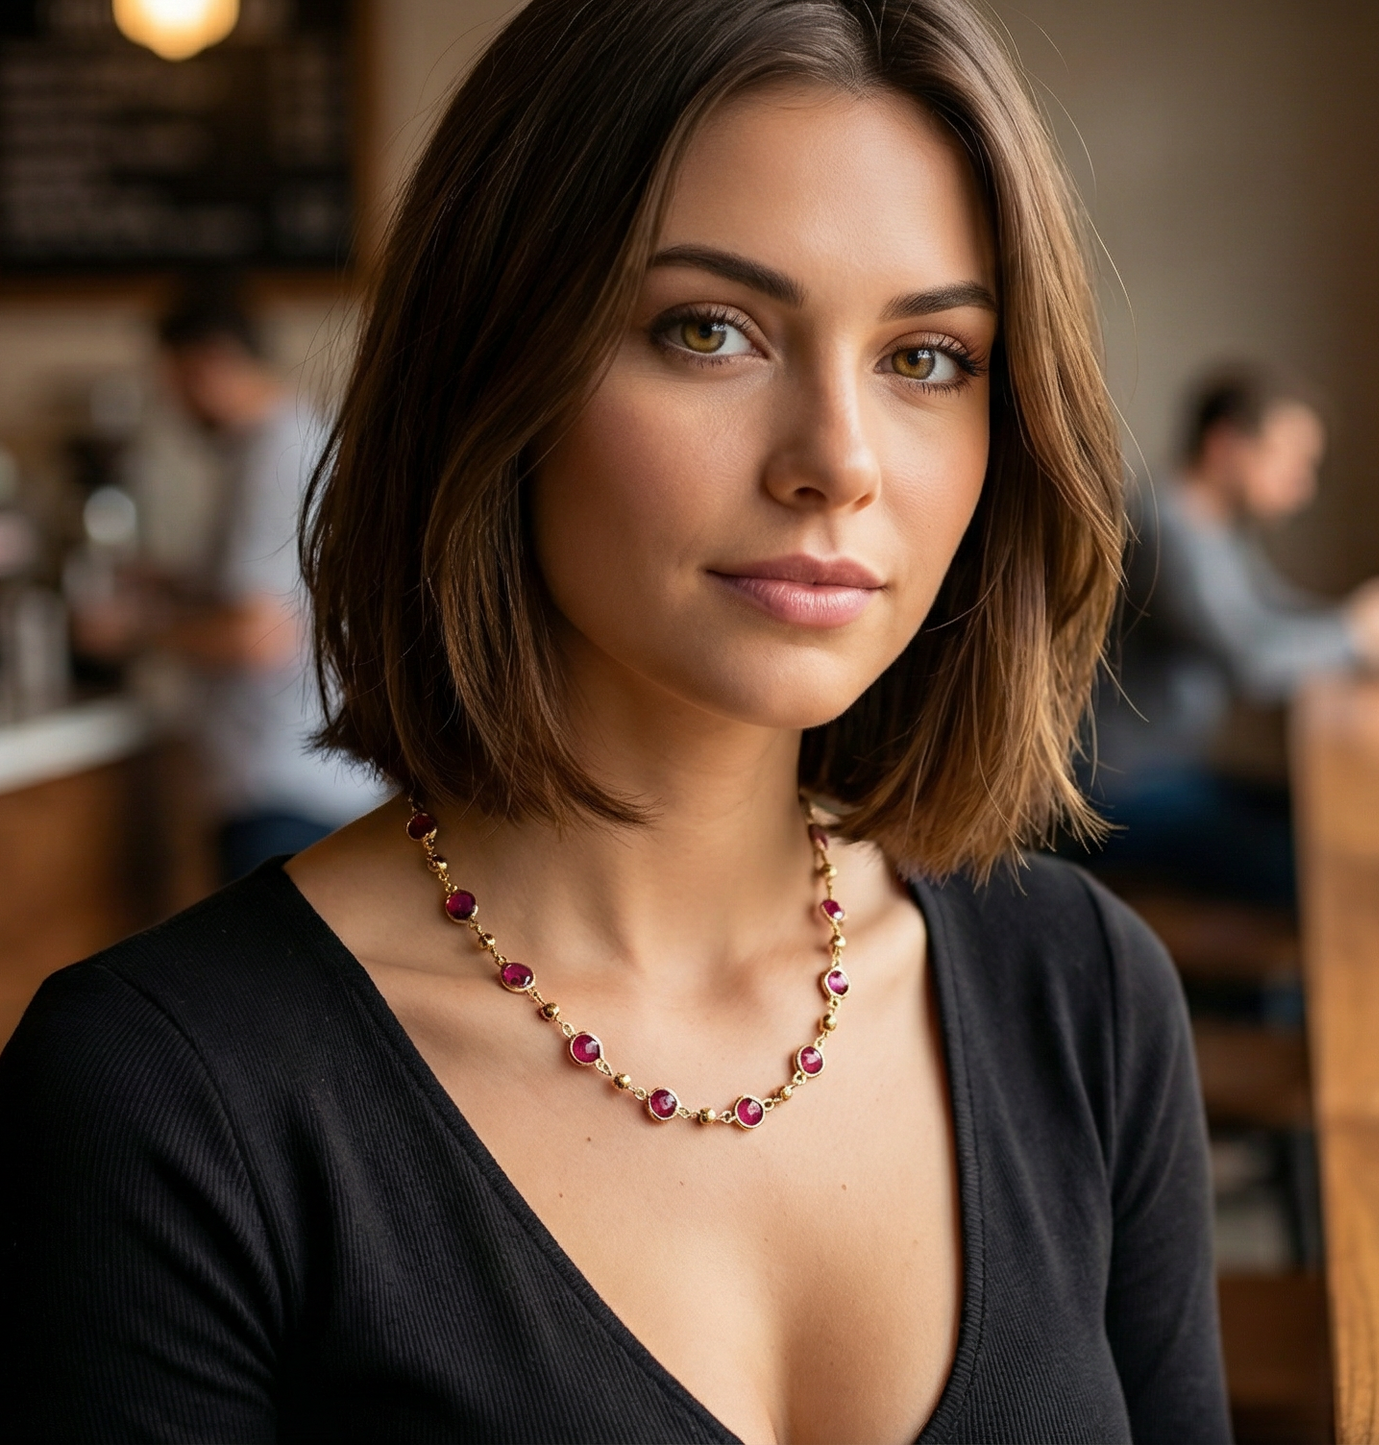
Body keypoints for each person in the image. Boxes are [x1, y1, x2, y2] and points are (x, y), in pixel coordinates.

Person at [0, 3, 1230, 1442]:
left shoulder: (1081, 996)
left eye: (929, 356)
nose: (837, 461)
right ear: (493, 367)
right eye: (707, 330)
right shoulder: (164, 1102)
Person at [77, 283, 387, 880]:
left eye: (174, 380)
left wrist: (132, 633)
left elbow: (260, 636)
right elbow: (277, 593)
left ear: (210, 361)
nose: (174, 403)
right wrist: (177, 583)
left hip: (282, 789)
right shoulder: (277, 445)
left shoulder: (276, 456)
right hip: (307, 781)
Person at [1088, 366, 1379, 904]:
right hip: (1121, 795)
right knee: (1332, 864)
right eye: (1291, 458)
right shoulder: (1168, 530)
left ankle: (1285, 988)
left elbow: (1271, 613)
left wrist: (1366, 621)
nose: (1303, 482)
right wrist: (1356, 631)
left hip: (1169, 774)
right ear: (1226, 446)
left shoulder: (1213, 527)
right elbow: (1252, 660)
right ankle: (1286, 990)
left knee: (1329, 824)